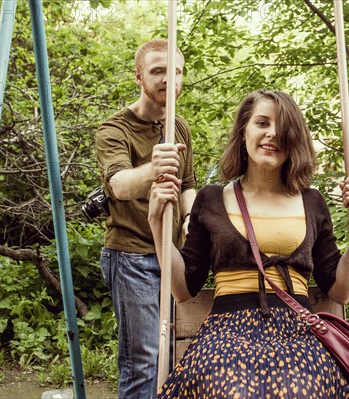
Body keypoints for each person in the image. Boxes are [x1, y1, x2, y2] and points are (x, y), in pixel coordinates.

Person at [148, 89, 349, 398]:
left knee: (298, 391)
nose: (273, 134)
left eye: (283, 127)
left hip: (298, 333)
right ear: (244, 132)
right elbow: (182, 288)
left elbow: (340, 291)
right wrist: (157, 224)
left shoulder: (312, 202)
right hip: (226, 333)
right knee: (231, 390)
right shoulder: (212, 199)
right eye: (262, 123)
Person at [95, 39, 197, 399]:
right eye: (159, 71)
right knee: (144, 360)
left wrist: (191, 218)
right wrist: (155, 167)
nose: (171, 79)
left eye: (177, 71)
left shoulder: (179, 126)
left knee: (174, 354)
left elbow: (188, 185)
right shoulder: (114, 129)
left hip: (172, 256)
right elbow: (119, 185)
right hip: (132, 257)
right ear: (138, 76)